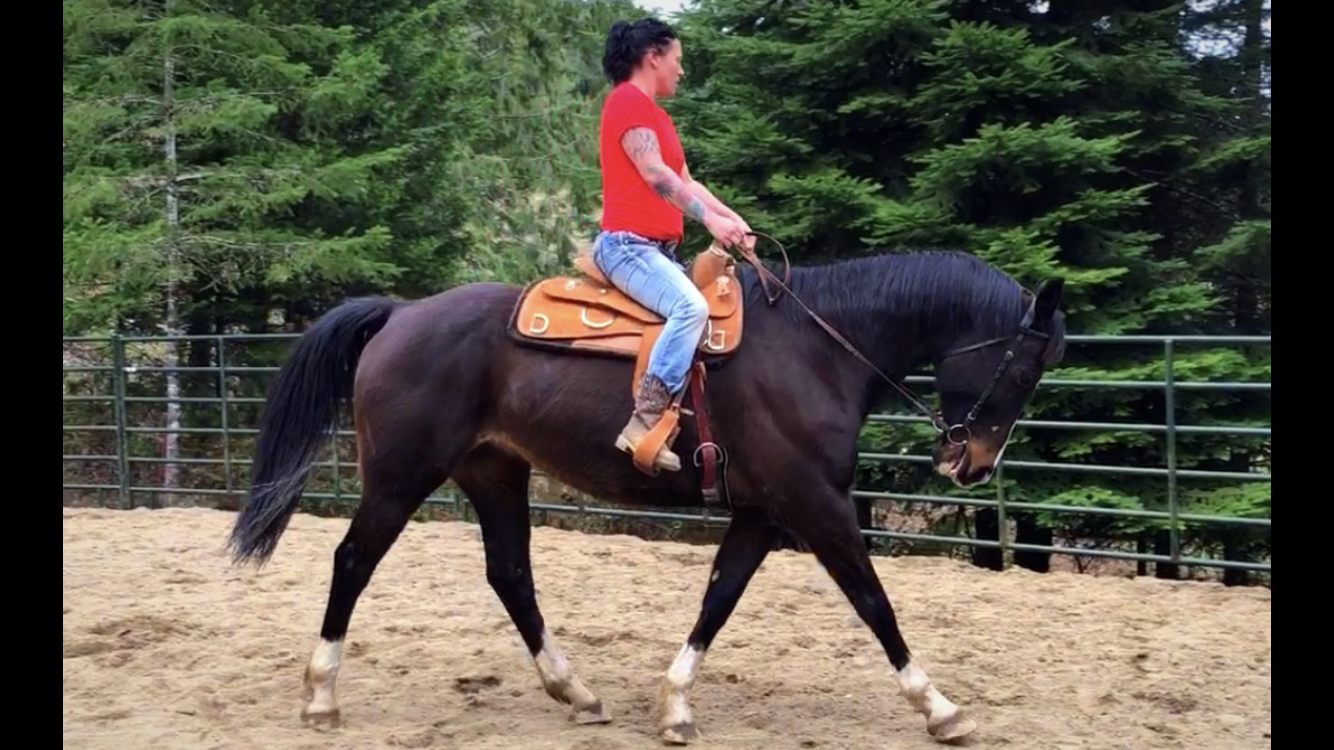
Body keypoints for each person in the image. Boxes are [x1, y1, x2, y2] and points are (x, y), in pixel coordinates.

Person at [593, 17, 752, 473]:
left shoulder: (658, 116)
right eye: (677, 60)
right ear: (653, 57)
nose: (681, 70)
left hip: (655, 250)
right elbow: (654, 173)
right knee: (690, 308)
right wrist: (711, 222)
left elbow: (685, 180)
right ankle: (643, 423)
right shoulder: (627, 101)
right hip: (628, 246)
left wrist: (731, 219)